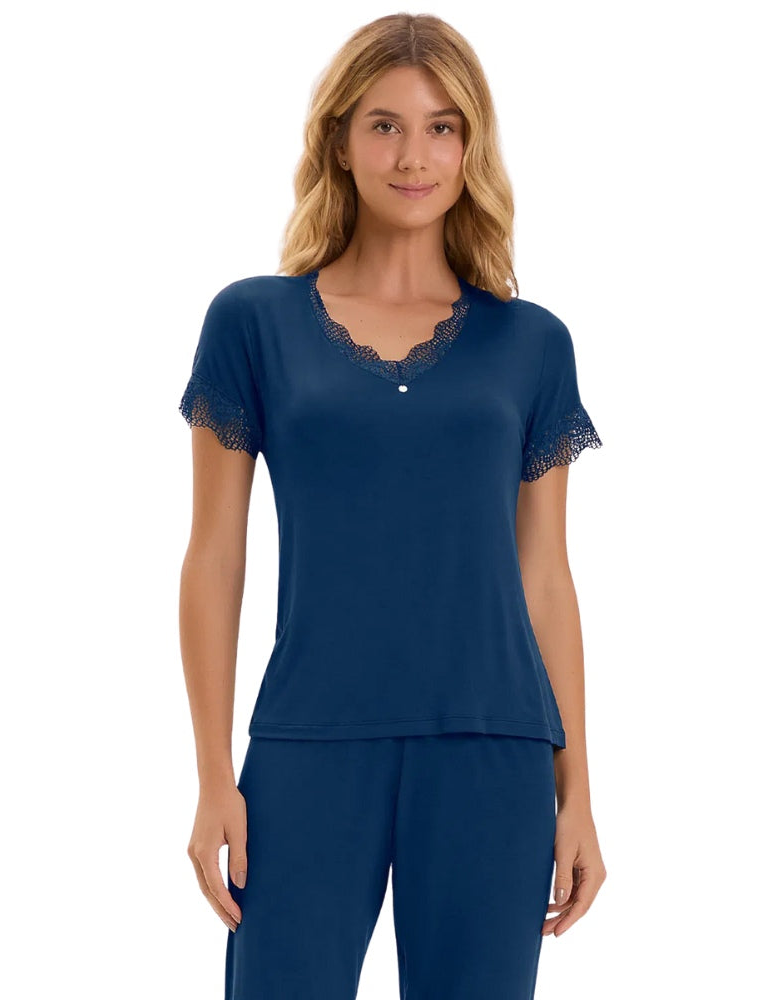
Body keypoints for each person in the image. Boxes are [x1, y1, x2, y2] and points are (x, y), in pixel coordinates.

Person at [178, 13, 607, 999]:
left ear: (471, 146)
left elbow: (545, 575)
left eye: (441, 127)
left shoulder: (532, 343)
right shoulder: (252, 322)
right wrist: (211, 776)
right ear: (339, 140)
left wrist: (578, 791)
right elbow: (214, 557)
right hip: (307, 744)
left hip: (494, 749)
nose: (414, 155)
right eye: (384, 126)